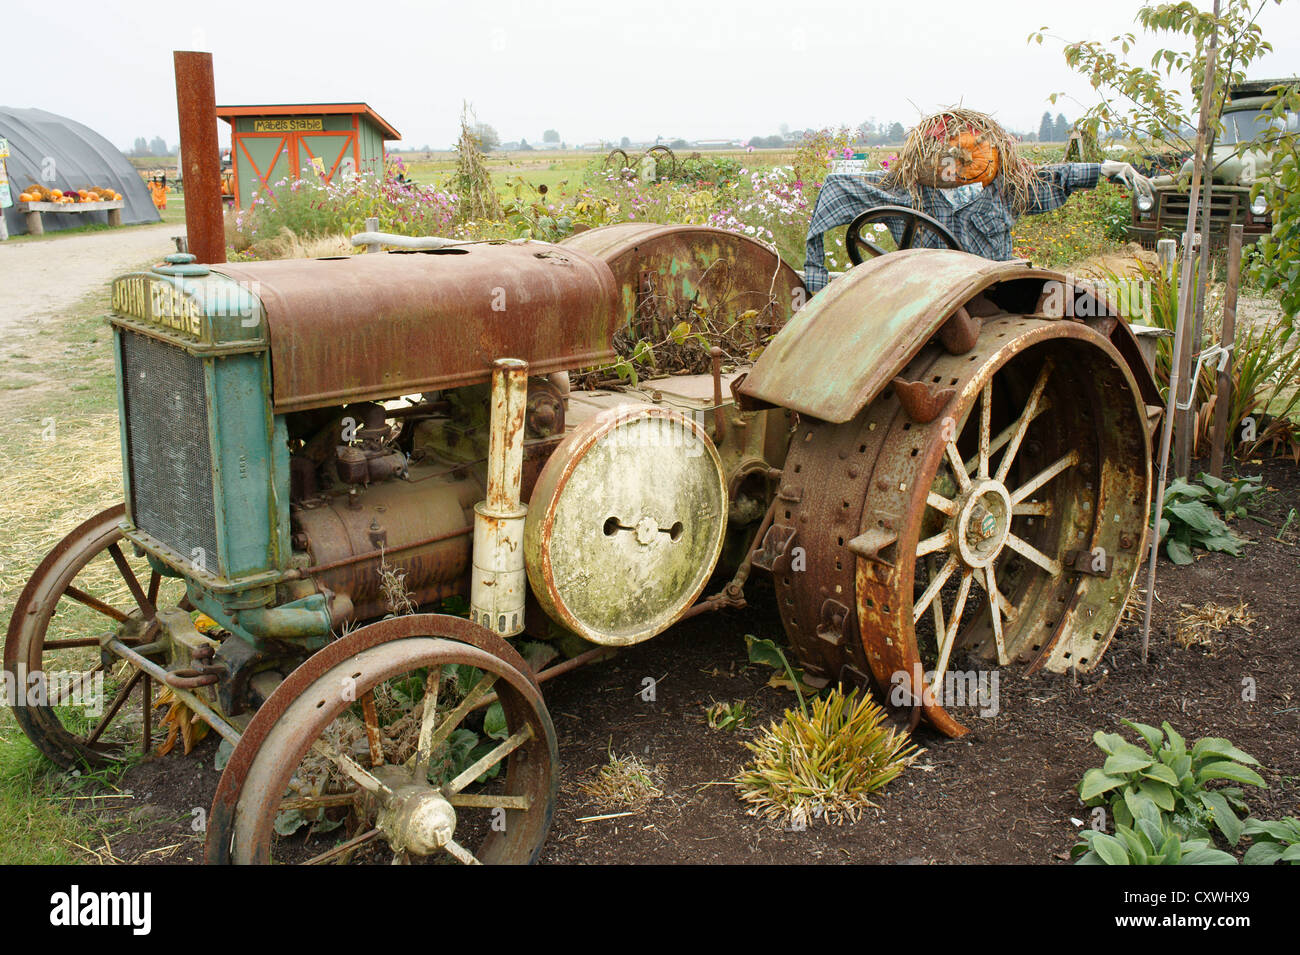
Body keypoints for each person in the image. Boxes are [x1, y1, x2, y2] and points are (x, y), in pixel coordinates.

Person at [802, 113, 1154, 295]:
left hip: (991, 298)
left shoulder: (1005, 189)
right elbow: (838, 189)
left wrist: (1107, 169)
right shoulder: (905, 191)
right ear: (929, 157)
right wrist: (815, 280)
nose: (958, 162)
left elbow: (1055, 177)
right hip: (921, 296)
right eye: (946, 154)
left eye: (970, 152)